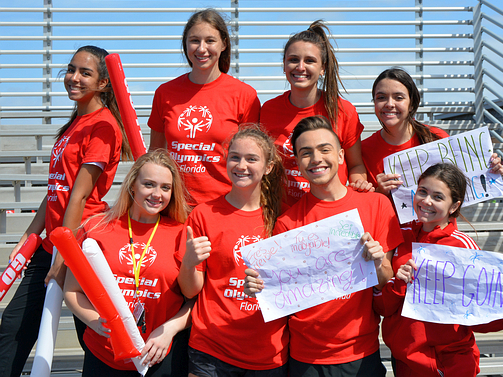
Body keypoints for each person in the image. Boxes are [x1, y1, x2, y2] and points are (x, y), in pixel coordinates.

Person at [0, 45, 131, 377]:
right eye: (71, 69)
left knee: (93, 336)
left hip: (80, 244)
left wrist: (64, 254)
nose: (73, 77)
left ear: (103, 83)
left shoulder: (103, 125)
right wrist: (32, 233)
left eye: (85, 73)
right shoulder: (76, 121)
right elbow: (56, 189)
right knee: (13, 328)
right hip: (54, 244)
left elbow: (79, 195)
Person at [244, 116, 403, 376]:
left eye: (324, 149)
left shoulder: (376, 206)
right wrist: (258, 288)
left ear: (341, 156)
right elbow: (279, 294)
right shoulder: (287, 223)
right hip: (305, 358)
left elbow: (387, 287)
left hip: (361, 354)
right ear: (297, 162)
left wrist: (379, 265)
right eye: (306, 153)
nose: (316, 158)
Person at [373, 162, 503, 377]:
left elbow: (479, 315)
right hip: (406, 362)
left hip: (453, 364)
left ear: (454, 206)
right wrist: (398, 283)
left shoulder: (464, 248)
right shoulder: (400, 236)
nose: (426, 201)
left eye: (438, 197)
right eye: (422, 191)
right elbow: (382, 307)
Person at [64, 149, 194, 376]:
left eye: (165, 187)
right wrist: (96, 323)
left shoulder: (183, 234)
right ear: (132, 184)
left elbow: (195, 302)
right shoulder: (96, 229)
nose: (157, 194)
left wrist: (168, 331)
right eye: (149, 184)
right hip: (104, 354)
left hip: (159, 355)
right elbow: (72, 291)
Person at [179, 125, 289, 376]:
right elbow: (190, 290)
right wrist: (188, 262)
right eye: (235, 157)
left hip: (267, 353)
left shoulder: (283, 218)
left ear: (269, 167)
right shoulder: (204, 215)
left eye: (252, 159)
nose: (242, 165)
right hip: (211, 349)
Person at [148, 8, 261, 206]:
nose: (201, 48)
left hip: (224, 205)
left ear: (224, 44)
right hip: (174, 206)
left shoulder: (244, 95)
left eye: (210, 41)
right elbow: (155, 153)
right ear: (185, 44)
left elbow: (252, 160)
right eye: (194, 40)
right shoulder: (165, 93)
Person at [260, 20, 370, 205]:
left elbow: (356, 165)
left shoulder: (343, 110)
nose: (300, 67)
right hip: (282, 214)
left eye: (309, 61)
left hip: (327, 213)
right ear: (284, 65)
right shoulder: (268, 110)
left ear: (322, 68)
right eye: (293, 60)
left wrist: (359, 185)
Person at [361, 67, 503, 196]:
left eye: (399, 97)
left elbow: (463, 187)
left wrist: (490, 169)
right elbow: (365, 206)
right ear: (374, 102)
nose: (389, 104)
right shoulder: (364, 150)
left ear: (411, 104)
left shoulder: (436, 137)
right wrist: (380, 192)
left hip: (439, 225)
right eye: (381, 97)